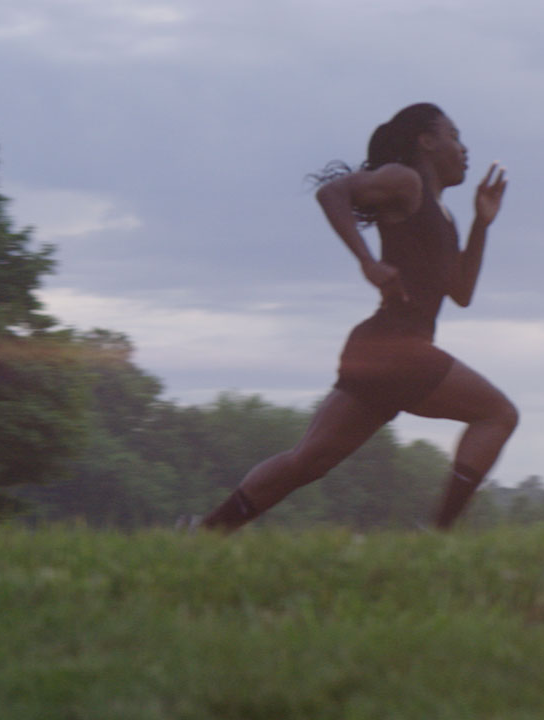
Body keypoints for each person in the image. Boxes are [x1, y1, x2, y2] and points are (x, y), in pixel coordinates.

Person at [199, 103, 516, 532]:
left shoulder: (445, 217)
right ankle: (438, 534)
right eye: (454, 136)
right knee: (497, 414)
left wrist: (482, 223)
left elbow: (461, 293)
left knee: (308, 461)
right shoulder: (407, 182)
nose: (464, 149)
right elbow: (332, 194)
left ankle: (206, 532)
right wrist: (367, 262)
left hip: (377, 351)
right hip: (398, 348)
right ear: (426, 140)